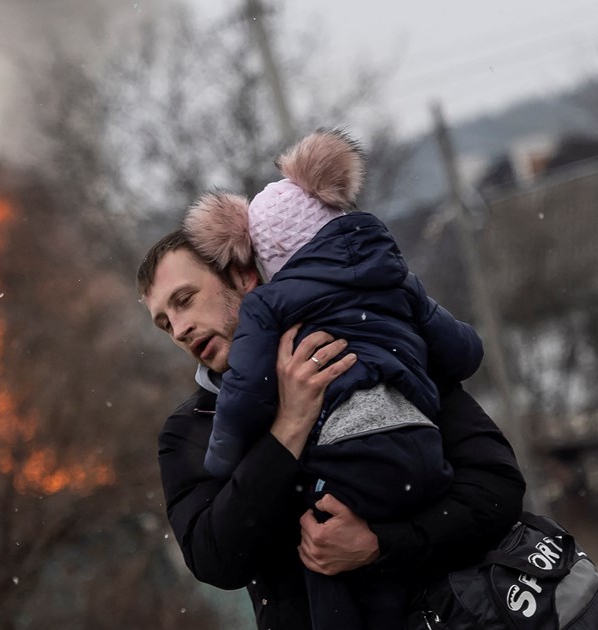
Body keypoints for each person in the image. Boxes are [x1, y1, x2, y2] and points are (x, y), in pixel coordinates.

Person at [138, 229, 526, 629]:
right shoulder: (192, 429)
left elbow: (497, 487)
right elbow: (215, 559)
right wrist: (289, 427)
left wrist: (381, 545)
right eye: (165, 324)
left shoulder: (370, 345)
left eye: (185, 301)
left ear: (242, 277)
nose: (180, 329)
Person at [180, 129, 483, 629]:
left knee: (322, 558)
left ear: (261, 259)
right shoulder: (397, 281)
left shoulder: (270, 304)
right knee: (412, 574)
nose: (181, 328)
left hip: (351, 463)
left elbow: (247, 392)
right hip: (426, 454)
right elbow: (465, 352)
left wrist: (222, 454)